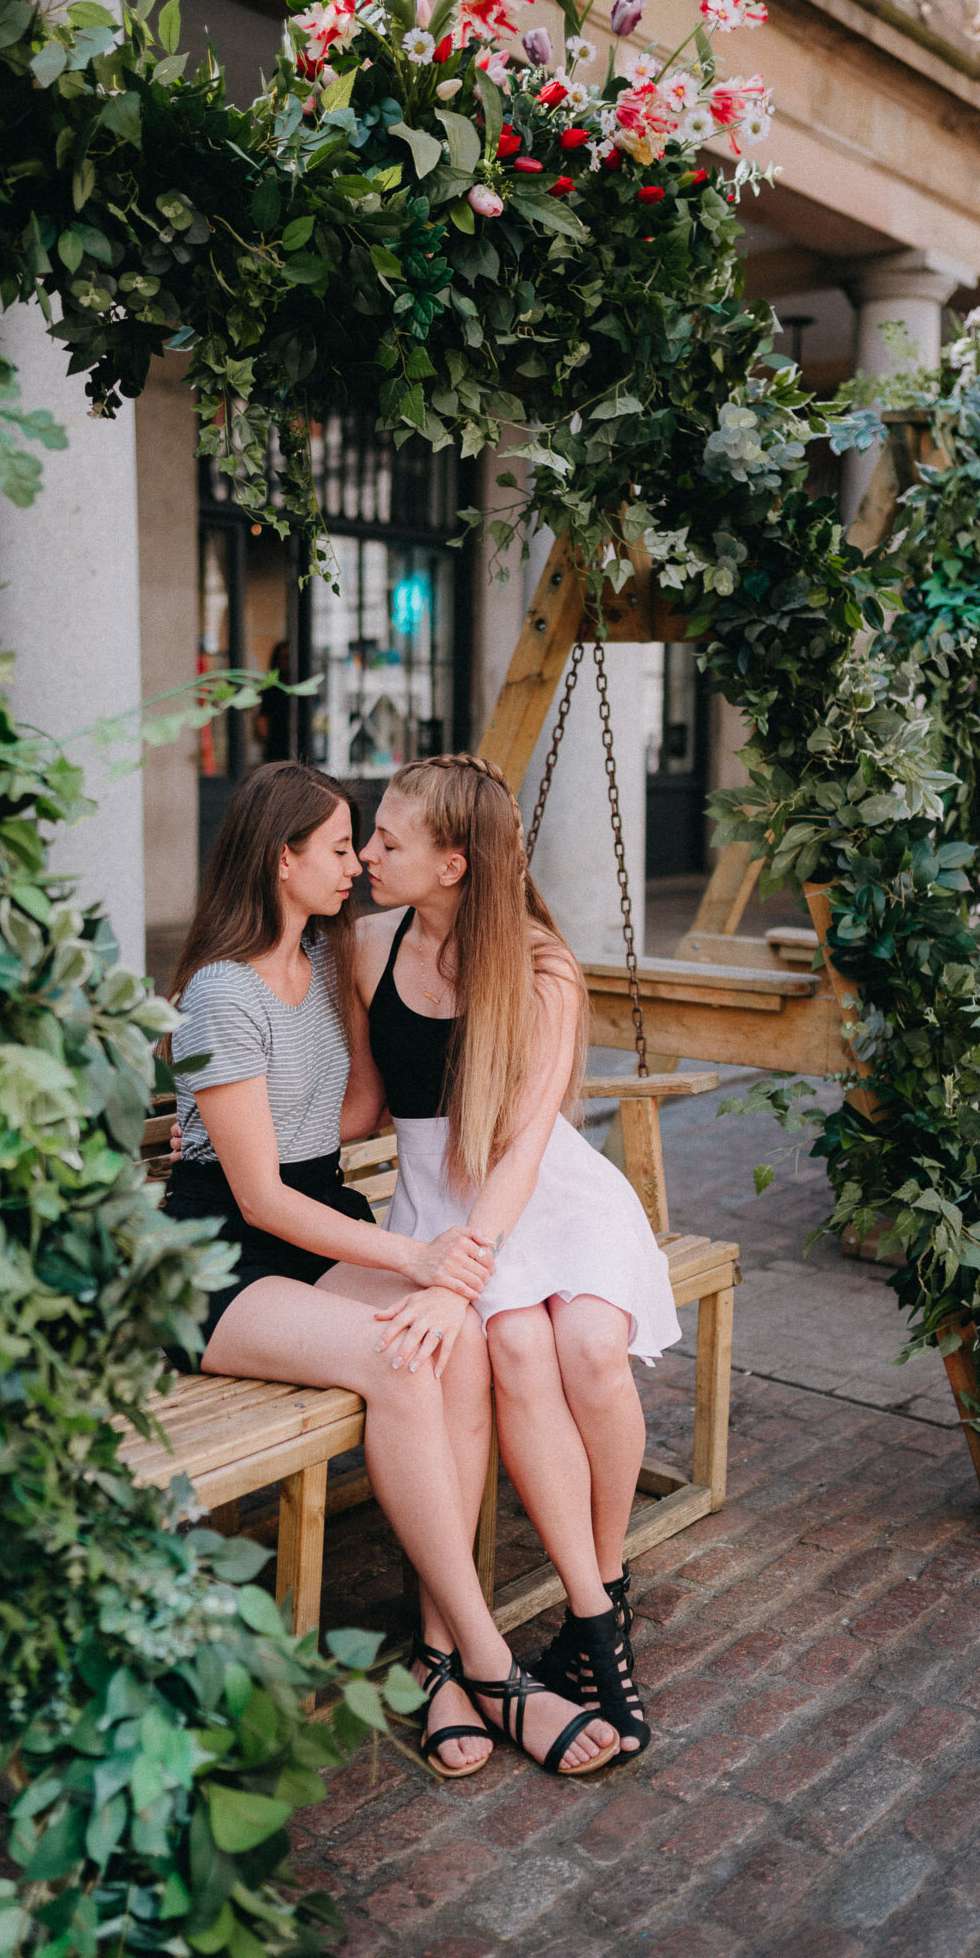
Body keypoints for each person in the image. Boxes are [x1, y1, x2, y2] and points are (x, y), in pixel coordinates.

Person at [164, 759, 619, 1779]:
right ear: (282, 860)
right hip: (217, 1253)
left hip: (318, 1220)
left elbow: (358, 1112)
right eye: (338, 846)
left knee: (451, 1342)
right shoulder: (216, 992)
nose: (358, 860)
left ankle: (435, 1658)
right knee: (405, 1353)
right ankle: (490, 1661)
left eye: (369, 841)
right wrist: (418, 1254)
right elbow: (256, 1196)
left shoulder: (329, 959)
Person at [349, 752, 681, 1760]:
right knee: (521, 1350)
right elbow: (364, 1105)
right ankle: (592, 1627)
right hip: (440, 1205)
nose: (367, 851)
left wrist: (459, 1276)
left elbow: (526, 1149)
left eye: (388, 840)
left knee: (583, 1344)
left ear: (453, 863)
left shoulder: (541, 968)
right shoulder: (364, 943)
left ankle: (600, 1592)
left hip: (541, 1200)